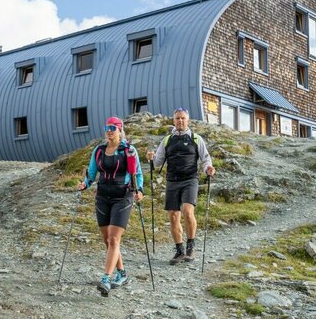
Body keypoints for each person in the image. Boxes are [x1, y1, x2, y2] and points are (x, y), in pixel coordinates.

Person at [78, 116, 144, 296]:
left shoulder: (129, 150)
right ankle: (122, 273)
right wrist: (85, 184)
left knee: (114, 240)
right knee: (108, 240)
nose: (109, 130)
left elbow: (137, 173)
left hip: (123, 196)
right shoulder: (99, 150)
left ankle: (106, 279)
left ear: (120, 130)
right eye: (107, 127)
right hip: (102, 197)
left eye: (112, 128)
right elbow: (91, 173)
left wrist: (140, 190)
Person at [147, 108, 215, 265]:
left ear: (188, 120)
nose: (180, 121)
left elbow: (205, 159)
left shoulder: (196, 139)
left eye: (183, 118)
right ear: (173, 120)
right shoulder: (167, 140)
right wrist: (151, 158)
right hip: (172, 181)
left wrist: (208, 169)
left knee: (187, 211)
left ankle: (191, 245)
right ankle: (179, 251)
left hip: (190, 179)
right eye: (177, 118)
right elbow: (157, 163)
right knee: (173, 216)